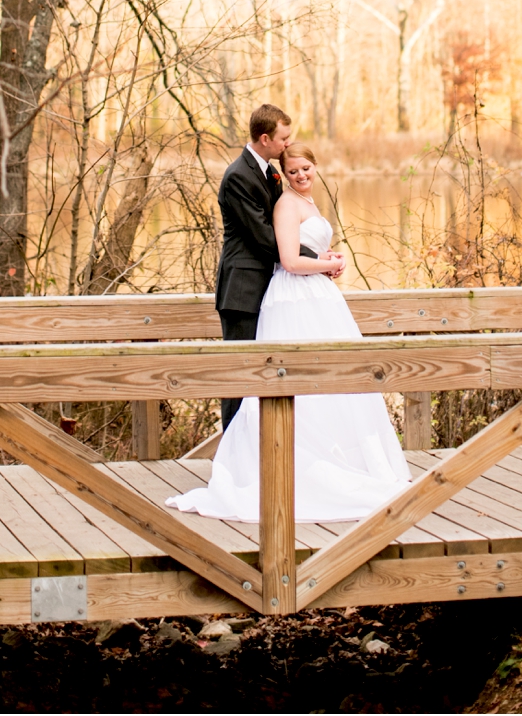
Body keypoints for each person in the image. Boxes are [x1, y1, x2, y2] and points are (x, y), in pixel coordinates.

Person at [168, 141, 411, 522]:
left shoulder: (310, 202)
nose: (301, 176)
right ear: (284, 172)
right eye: (293, 170)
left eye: (306, 169)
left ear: (315, 167)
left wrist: (332, 260)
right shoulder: (284, 204)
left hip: (318, 297)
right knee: (295, 381)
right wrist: (324, 265)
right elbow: (289, 260)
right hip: (293, 299)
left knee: (337, 381)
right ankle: (291, 470)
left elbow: (308, 251)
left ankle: (343, 461)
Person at [213, 105, 340, 431]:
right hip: (242, 291)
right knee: (241, 375)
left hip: (270, 288)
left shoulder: (268, 171)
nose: (288, 144)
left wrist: (319, 259)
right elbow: (266, 238)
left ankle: (264, 448)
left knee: (266, 373)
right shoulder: (239, 176)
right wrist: (319, 261)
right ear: (266, 137)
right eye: (283, 138)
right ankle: (234, 456)